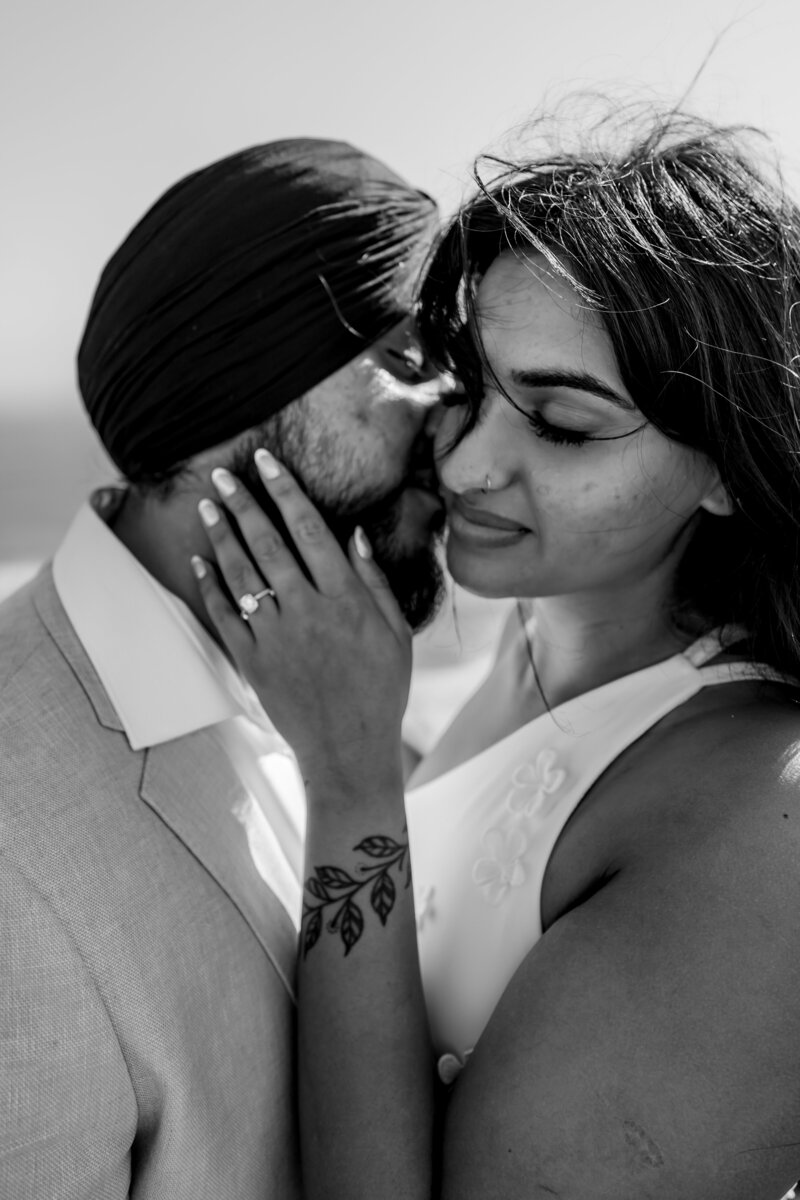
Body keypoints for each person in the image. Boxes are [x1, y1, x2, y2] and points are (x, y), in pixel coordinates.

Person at [195, 108, 800, 1199]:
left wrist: (350, 778)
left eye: (561, 426)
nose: (467, 466)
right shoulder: (531, 633)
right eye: (469, 386)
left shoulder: (760, 824)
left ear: (725, 467)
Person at [0, 138, 449, 1199]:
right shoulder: (16, 834)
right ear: (228, 405)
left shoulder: (335, 695)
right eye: (400, 358)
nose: (449, 413)